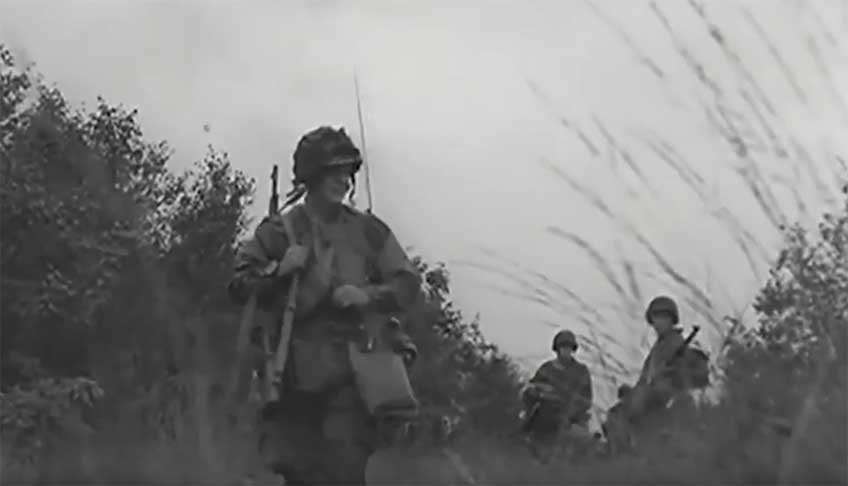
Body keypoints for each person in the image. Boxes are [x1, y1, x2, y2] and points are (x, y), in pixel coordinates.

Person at [228, 125, 421, 485]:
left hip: (353, 371)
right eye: (333, 172)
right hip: (291, 375)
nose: (343, 181)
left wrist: (367, 295)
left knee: (344, 468)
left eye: (348, 172)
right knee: (298, 472)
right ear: (312, 176)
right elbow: (239, 283)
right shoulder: (280, 230)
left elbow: (408, 283)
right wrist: (278, 271)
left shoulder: (369, 231)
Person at [521, 329, 593, 462]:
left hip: (571, 419)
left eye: (569, 348)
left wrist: (571, 411)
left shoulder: (581, 371)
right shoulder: (546, 369)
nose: (566, 351)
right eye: (563, 347)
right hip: (545, 417)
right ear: (557, 349)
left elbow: (587, 400)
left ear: (573, 349)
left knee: (582, 444)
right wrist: (538, 393)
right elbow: (530, 391)